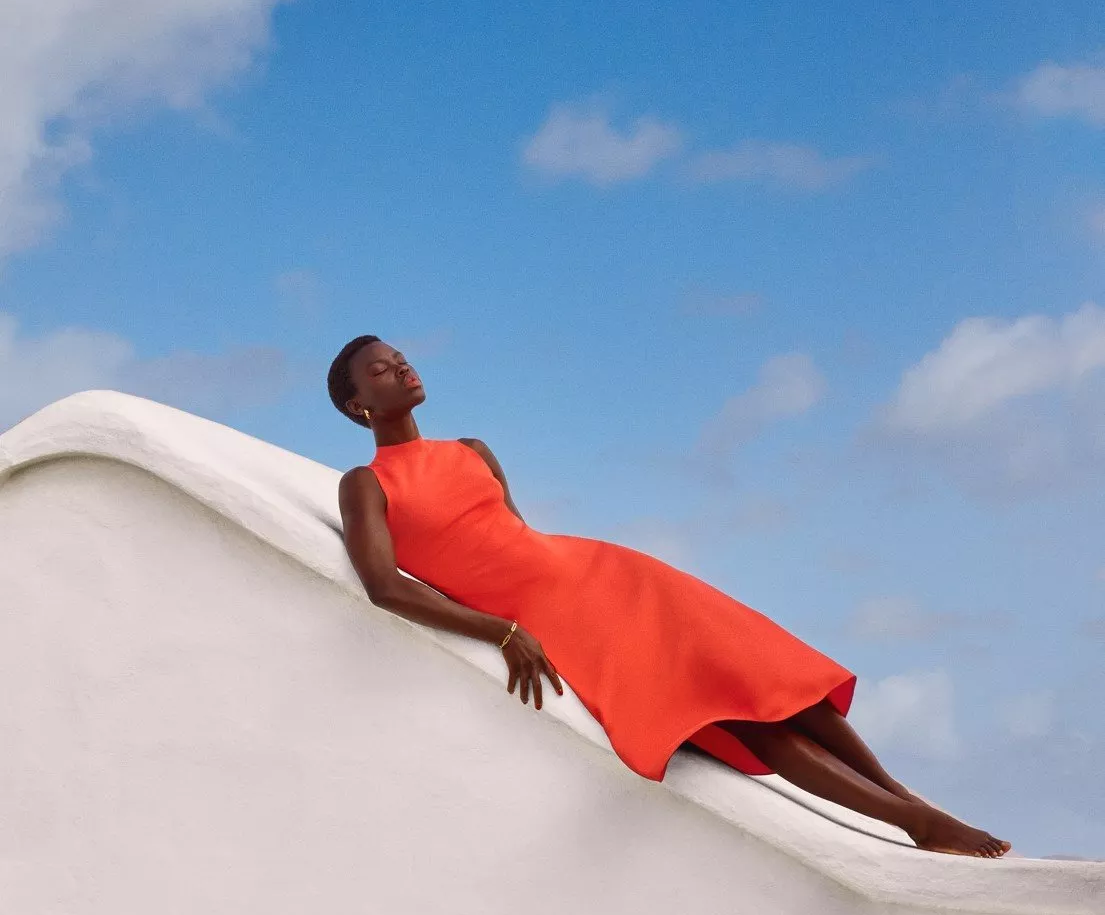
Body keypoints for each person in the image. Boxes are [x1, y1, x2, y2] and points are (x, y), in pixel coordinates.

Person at [330, 333, 1009, 858]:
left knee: (771, 681)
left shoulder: (471, 449)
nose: (402, 367)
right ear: (358, 405)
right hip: (559, 621)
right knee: (738, 716)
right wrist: (501, 632)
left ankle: (907, 800)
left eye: (401, 357)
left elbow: (511, 533)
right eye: (382, 370)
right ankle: (914, 822)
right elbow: (385, 587)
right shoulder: (366, 483)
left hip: (611, 576)